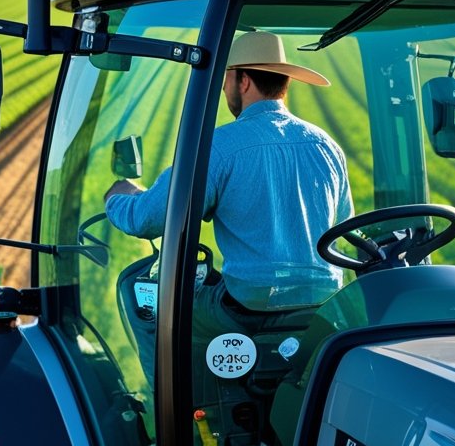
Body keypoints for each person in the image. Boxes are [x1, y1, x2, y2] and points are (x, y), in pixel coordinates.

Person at [105, 31, 353, 334]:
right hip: (321, 306)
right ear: (283, 83)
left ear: (244, 81)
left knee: (148, 312)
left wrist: (117, 196)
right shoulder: (326, 146)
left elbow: (147, 218)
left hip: (249, 307)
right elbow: (344, 229)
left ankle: (166, 382)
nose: (223, 88)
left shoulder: (219, 147)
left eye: (227, 78)